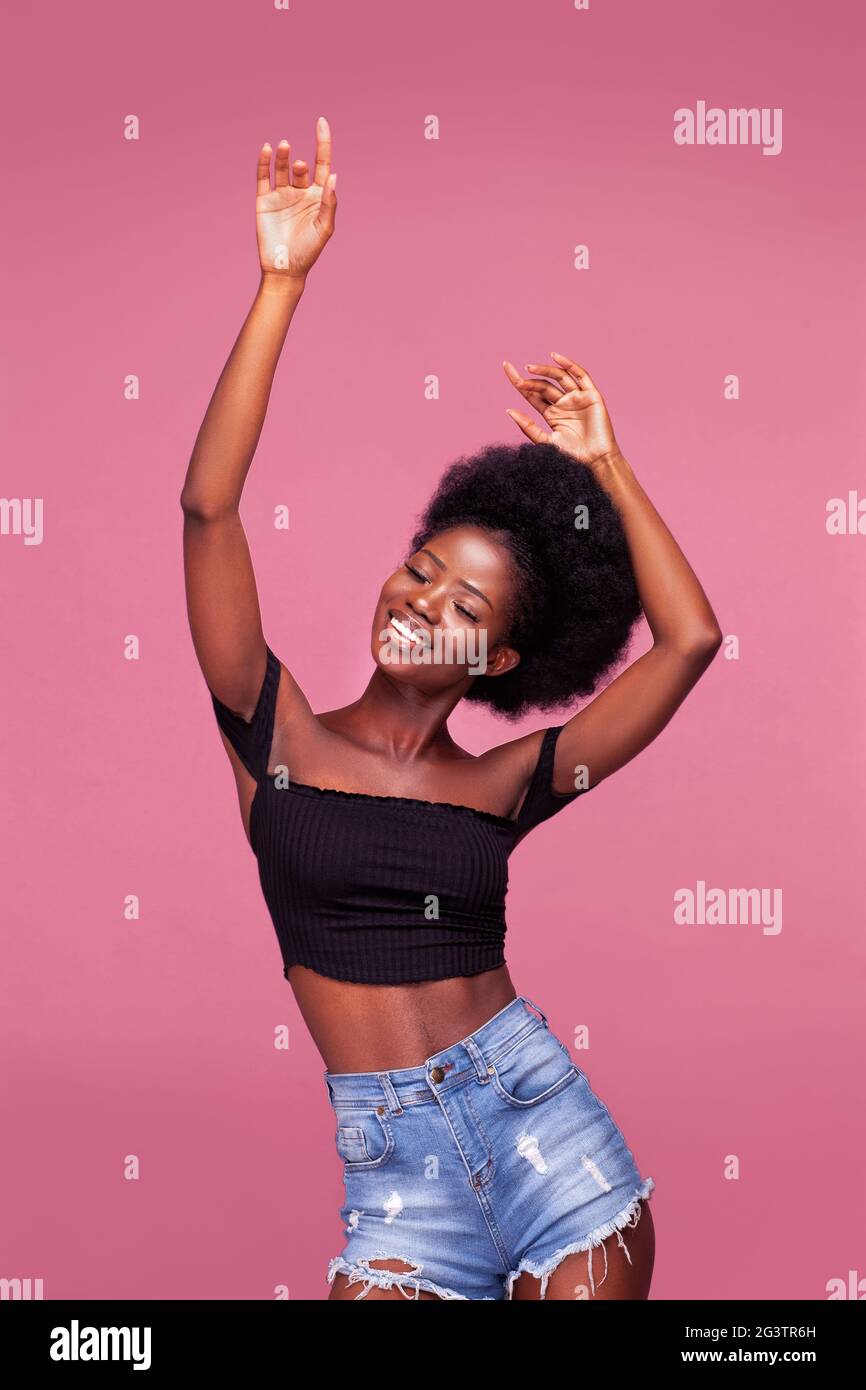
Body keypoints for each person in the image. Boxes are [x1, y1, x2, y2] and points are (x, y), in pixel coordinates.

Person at [181, 117, 722, 1300]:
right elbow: (208, 511)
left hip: (546, 1141)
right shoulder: (269, 731)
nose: (418, 600)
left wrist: (604, 461)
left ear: (502, 653)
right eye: (420, 566)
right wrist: (279, 284)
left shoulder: (506, 783)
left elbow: (690, 642)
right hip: (394, 1183)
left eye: (460, 599)